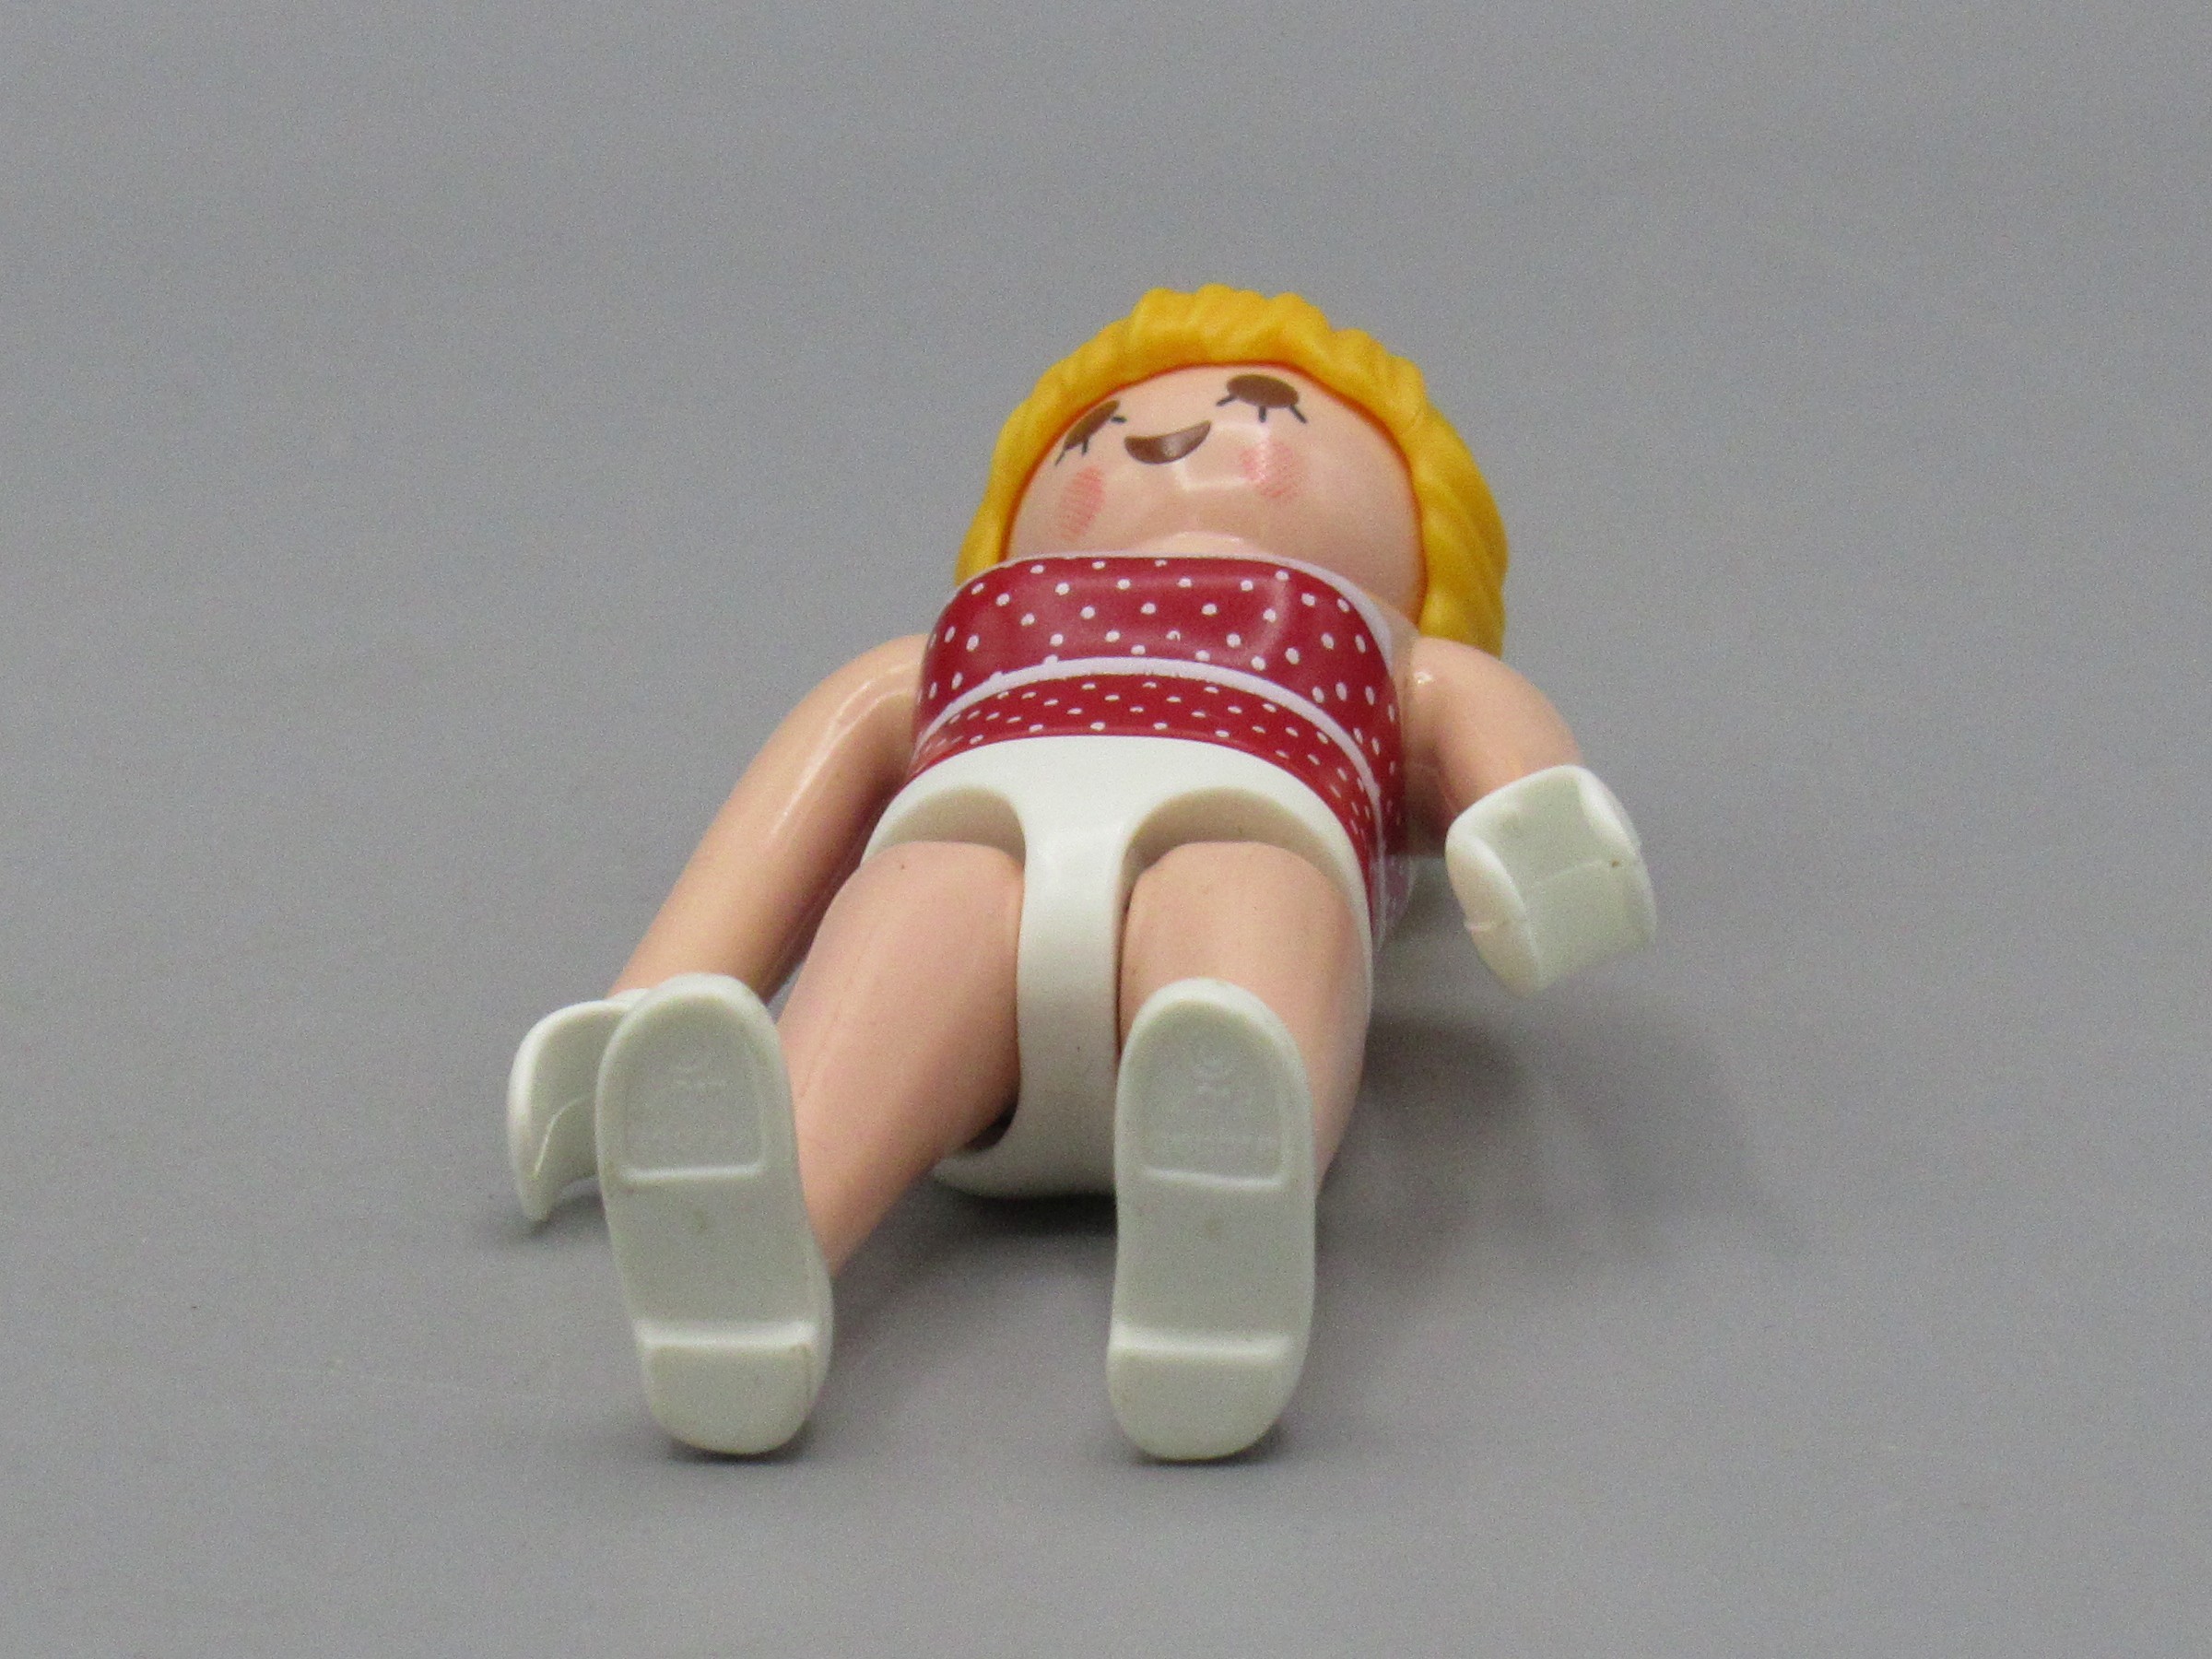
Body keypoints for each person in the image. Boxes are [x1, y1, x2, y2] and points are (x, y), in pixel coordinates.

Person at [507, 286, 1655, 1459]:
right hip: (980, 846)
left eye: (1264, 408)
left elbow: (1498, 743)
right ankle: (768, 1229)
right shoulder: (960, 637)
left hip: (1251, 826)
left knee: (1247, 906)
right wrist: (645, 1009)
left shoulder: (1388, 651)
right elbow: (792, 810)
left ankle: (1223, 1215)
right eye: (1097, 435)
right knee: (909, 908)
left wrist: (1545, 853)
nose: (1163, 443)